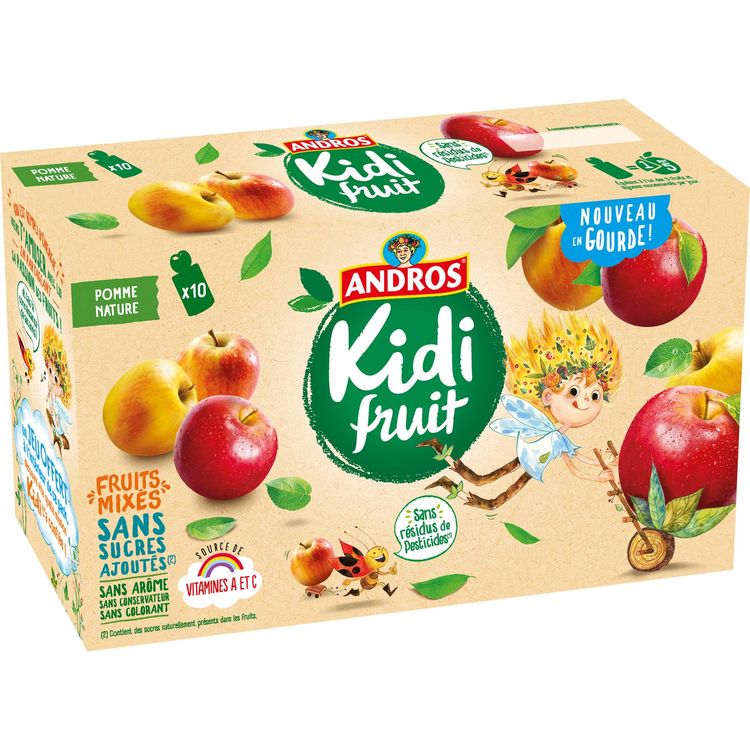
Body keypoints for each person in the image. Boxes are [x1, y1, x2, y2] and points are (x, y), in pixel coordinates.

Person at [421, 311, 623, 509]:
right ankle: (440, 454)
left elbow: (577, 458)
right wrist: (596, 477)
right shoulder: (556, 438)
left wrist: (604, 464)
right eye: (574, 391)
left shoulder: (557, 436)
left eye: (595, 395)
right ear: (548, 396)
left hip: (530, 463)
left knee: (488, 493)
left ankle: (445, 476)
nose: (586, 400)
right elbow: (574, 466)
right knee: (483, 485)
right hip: (528, 460)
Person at [42, 325, 72, 455]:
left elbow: (59, 392)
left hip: (56, 406)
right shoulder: (51, 384)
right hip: (53, 404)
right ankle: (57, 436)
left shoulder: (57, 388)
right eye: (50, 371)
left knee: (58, 418)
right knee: (54, 416)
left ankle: (60, 436)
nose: (52, 378)